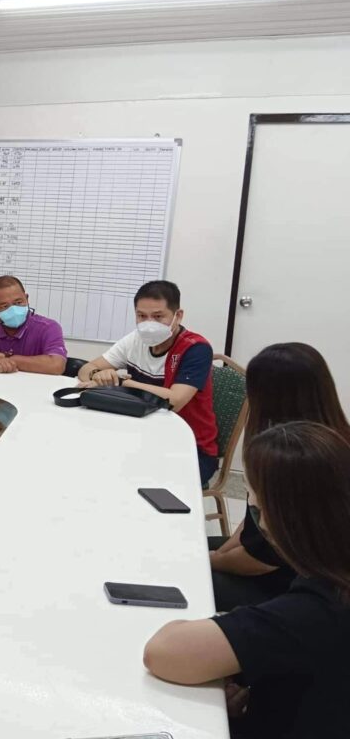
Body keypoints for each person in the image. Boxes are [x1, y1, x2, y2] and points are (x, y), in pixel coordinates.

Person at [143, 422, 350, 739]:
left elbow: (162, 652)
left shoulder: (317, 608)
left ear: (279, 520)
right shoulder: (331, 574)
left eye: (255, 509)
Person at [209, 343, 350, 611]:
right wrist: (220, 553)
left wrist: (211, 561)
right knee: (177, 553)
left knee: (178, 575)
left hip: (291, 585)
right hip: (271, 563)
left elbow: (263, 560)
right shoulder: (327, 439)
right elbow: (253, 524)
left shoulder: (296, 459)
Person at [77, 280, 218, 486]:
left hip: (189, 447)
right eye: (141, 316)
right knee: (92, 463)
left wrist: (123, 383)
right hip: (141, 435)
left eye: (158, 317)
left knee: (134, 481)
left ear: (178, 316)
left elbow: (174, 401)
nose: (148, 324)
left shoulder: (196, 349)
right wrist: (98, 374)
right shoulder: (134, 340)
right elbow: (84, 370)